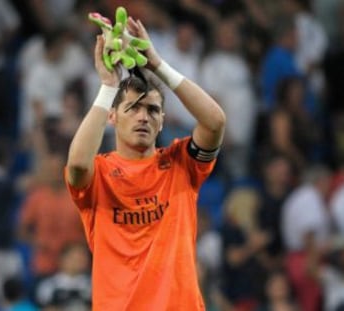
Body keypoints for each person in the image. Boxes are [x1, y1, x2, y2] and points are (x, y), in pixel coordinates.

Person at [65, 14, 226, 311]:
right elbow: (75, 165)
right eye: (133, 108)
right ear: (112, 117)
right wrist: (108, 86)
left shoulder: (181, 165)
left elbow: (215, 122)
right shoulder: (99, 173)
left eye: (153, 110)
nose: (143, 116)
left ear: (162, 121)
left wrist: (157, 65)